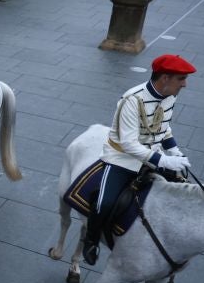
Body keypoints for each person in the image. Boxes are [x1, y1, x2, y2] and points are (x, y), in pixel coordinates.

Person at [81, 54, 196, 265]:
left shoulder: (170, 96)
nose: (185, 84)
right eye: (181, 79)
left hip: (152, 154)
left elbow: (163, 127)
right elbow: (129, 144)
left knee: (182, 190)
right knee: (103, 204)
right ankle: (91, 239)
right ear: (165, 79)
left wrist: (175, 151)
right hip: (121, 158)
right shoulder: (132, 100)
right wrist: (164, 161)